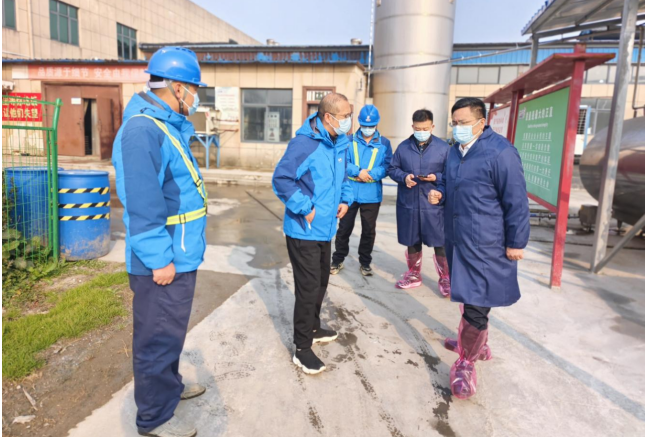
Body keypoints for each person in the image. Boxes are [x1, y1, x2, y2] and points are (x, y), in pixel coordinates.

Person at [112, 47, 209, 437]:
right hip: (162, 259)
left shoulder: (165, 125)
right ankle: (154, 420)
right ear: (178, 87)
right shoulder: (143, 130)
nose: (196, 96)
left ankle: (169, 390)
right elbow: (142, 201)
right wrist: (158, 258)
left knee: (170, 334)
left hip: (178, 253)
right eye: (194, 89)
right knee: (156, 339)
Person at [429, 97, 530, 400]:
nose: (457, 128)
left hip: (486, 243)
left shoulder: (500, 153)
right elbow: (450, 182)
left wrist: (516, 241)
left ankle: (466, 364)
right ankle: (474, 343)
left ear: (481, 122)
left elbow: (516, 200)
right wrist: (441, 193)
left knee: (476, 301)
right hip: (458, 238)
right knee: (466, 294)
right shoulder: (455, 151)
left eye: (463, 123)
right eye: (454, 123)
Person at [272, 92, 354, 375]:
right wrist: (305, 207)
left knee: (320, 283)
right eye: (345, 116)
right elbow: (282, 179)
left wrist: (345, 199)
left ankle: (314, 327)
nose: (349, 121)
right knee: (307, 289)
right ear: (328, 117)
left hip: (326, 229)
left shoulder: (339, 142)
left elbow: (343, 178)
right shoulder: (304, 144)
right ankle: (302, 347)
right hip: (303, 230)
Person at [387, 109, 451, 295]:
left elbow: (451, 174)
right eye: (418, 128)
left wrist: (436, 177)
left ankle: (446, 278)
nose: (421, 131)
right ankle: (414, 275)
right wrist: (404, 177)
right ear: (412, 127)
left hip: (434, 204)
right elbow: (392, 169)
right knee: (412, 240)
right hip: (410, 202)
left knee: (440, 242)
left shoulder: (444, 148)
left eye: (425, 128)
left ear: (432, 126)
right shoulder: (403, 147)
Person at [331, 104, 392, 277]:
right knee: (344, 228)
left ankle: (365, 263)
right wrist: (358, 172)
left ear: (377, 123)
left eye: (371, 125)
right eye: (364, 125)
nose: (367, 128)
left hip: (371, 195)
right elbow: (342, 162)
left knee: (368, 231)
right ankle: (337, 260)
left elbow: (387, 166)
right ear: (359, 122)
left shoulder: (384, 143)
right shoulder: (348, 140)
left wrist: (370, 174)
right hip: (349, 192)